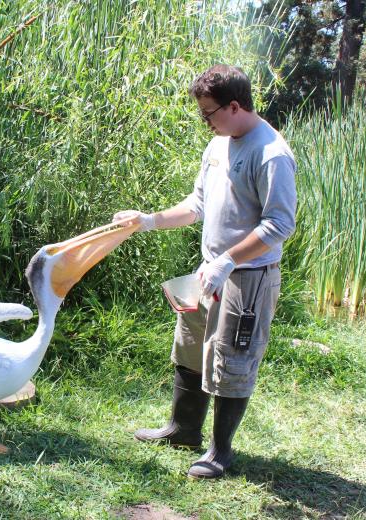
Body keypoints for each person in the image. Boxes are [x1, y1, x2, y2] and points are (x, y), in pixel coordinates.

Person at [113, 64, 296, 479]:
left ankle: (220, 452)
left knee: (231, 360)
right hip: (208, 271)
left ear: (235, 106)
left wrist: (229, 260)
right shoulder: (217, 145)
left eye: (208, 113)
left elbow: (280, 225)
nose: (204, 122)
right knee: (191, 346)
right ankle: (183, 430)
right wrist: (147, 220)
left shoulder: (271, 154)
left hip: (247, 278)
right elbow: (196, 205)